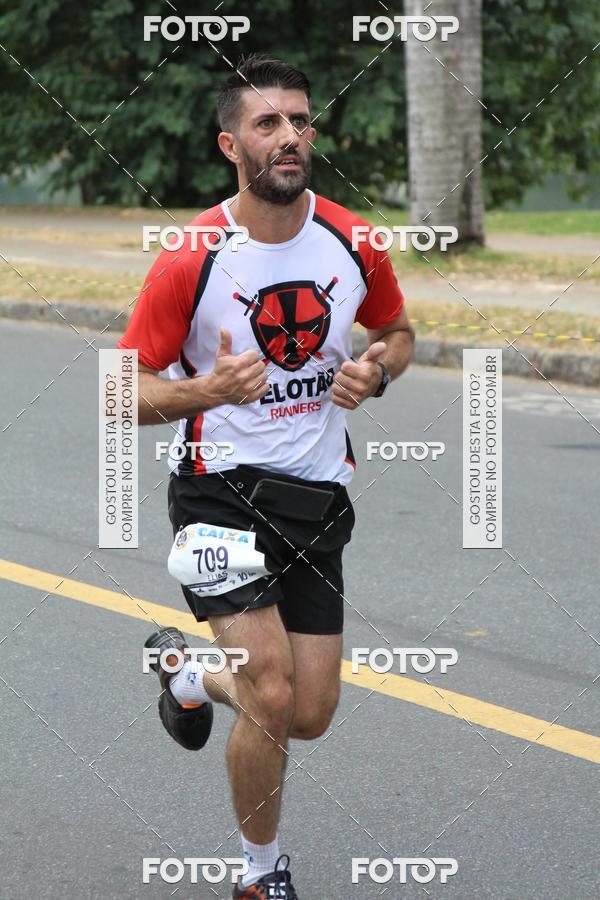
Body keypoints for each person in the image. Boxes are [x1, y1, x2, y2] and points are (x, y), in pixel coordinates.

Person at [118, 55, 414, 899]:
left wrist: (379, 370)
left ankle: (182, 673)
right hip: (218, 495)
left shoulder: (355, 240)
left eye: (300, 120)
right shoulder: (190, 258)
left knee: (308, 715)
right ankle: (259, 875)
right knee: (271, 690)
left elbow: (398, 332)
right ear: (230, 144)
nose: (290, 136)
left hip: (317, 499)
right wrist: (201, 391)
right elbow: (120, 394)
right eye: (267, 123)